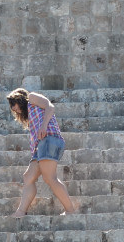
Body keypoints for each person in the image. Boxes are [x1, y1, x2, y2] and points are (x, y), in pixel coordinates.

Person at [5, 88, 78, 218]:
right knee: (28, 177)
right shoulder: (29, 115)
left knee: (49, 177)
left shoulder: (32, 98)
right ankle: (21, 212)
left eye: (13, 104)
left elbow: (50, 107)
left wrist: (44, 126)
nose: (13, 109)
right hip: (40, 146)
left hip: (49, 138)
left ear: (19, 99)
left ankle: (70, 210)